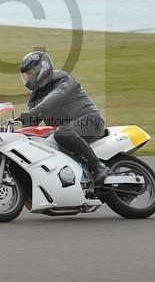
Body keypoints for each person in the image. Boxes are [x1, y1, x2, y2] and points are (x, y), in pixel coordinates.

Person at [17, 51, 110, 186]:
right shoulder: (36, 96)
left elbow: (55, 98)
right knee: (39, 142)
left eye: (30, 74)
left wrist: (33, 112)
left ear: (41, 69)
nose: (27, 78)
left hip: (91, 121)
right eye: (26, 75)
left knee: (61, 132)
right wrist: (16, 136)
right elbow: (31, 127)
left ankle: (98, 166)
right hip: (65, 132)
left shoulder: (62, 79)